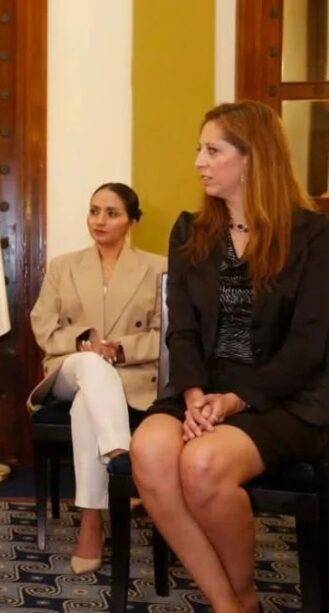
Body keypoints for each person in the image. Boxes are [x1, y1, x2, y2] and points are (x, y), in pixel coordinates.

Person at [130, 101, 329, 613]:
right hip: (204, 388)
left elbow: (309, 346)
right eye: (200, 149)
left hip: (283, 398)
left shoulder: (314, 236)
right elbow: (182, 330)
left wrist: (236, 400)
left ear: (252, 157)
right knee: (148, 452)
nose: (199, 161)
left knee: (202, 464)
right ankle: (230, 605)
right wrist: (195, 395)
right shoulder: (189, 231)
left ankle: (243, 597)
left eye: (213, 150)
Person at [29, 182, 165, 574]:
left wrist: (120, 349)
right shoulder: (63, 266)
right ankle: (121, 458)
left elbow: (167, 335)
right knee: (90, 366)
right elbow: (42, 323)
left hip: (131, 376)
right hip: (69, 369)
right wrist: (84, 344)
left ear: (132, 221)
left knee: (88, 406)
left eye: (112, 213)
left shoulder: (158, 268)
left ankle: (91, 521)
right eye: (94, 211)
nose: (99, 220)